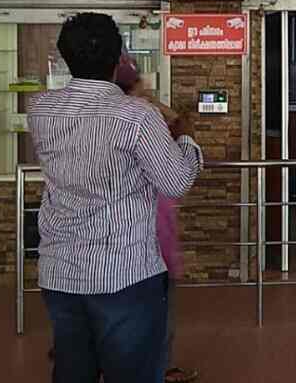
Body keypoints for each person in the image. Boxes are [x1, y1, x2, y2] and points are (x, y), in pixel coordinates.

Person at [29, 13, 203, 383]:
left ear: (64, 56)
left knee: (73, 372)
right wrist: (185, 139)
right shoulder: (135, 116)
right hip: (124, 275)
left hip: (60, 272)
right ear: (119, 56)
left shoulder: (41, 109)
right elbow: (176, 181)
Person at [114, 55, 199, 383]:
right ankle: (157, 370)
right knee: (156, 315)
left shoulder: (107, 119)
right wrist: (156, 107)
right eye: (140, 83)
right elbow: (179, 165)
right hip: (149, 242)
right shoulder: (141, 122)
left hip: (125, 245)